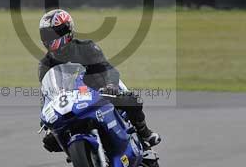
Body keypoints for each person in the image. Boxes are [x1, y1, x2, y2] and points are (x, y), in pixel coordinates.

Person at [37, 8, 161, 151]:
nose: (49, 38)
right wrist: (46, 124)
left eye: (54, 33)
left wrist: (111, 85)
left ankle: (144, 132)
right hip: (72, 102)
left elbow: (107, 68)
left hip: (99, 89)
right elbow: (46, 94)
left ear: (67, 30)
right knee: (50, 142)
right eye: (46, 34)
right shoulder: (45, 65)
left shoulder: (86, 47)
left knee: (131, 99)